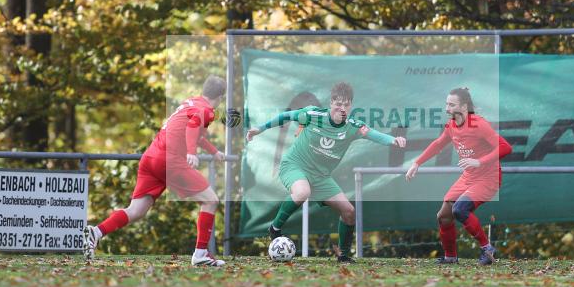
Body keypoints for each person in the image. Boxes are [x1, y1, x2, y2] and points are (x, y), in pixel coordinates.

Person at [246, 82, 406, 262]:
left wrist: (394, 139)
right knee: (302, 192)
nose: (342, 108)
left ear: (351, 106)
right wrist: (260, 128)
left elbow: (374, 134)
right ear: (331, 103)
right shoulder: (312, 114)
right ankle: (274, 228)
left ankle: (344, 255)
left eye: (346, 105)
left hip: (320, 177)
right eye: (338, 104)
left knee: (349, 212)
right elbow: (286, 115)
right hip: (294, 165)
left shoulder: (353, 126)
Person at [85, 75, 227, 267]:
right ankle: (200, 253)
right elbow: (193, 127)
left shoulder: (191, 103)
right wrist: (192, 153)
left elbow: (193, 131)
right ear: (220, 98)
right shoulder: (208, 111)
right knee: (211, 200)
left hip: (150, 158)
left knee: (136, 211)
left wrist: (214, 151)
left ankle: (96, 232)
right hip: (170, 161)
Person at [405, 87, 512, 265]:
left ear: (463, 107)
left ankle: (487, 249)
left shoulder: (478, 124)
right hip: (468, 177)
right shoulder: (452, 125)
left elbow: (506, 147)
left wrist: (480, 161)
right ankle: (450, 257)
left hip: (488, 178)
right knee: (444, 215)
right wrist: (417, 163)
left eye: (452, 104)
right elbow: (438, 144)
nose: (447, 108)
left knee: (460, 210)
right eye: (446, 104)